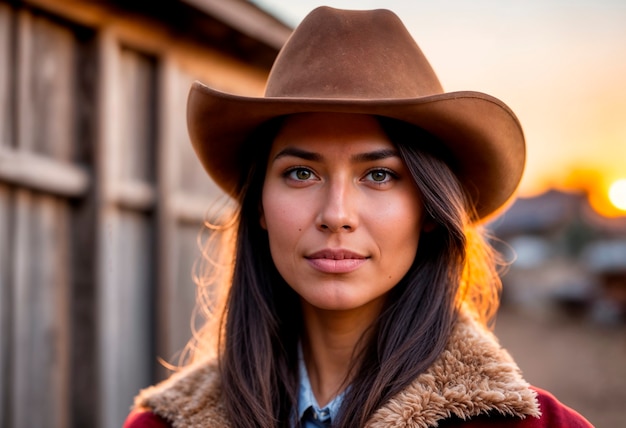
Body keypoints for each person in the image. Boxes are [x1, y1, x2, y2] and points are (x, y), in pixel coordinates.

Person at [124, 6, 593, 428]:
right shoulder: (161, 425)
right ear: (260, 207)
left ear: (429, 210)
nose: (337, 215)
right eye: (301, 172)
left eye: (380, 175)